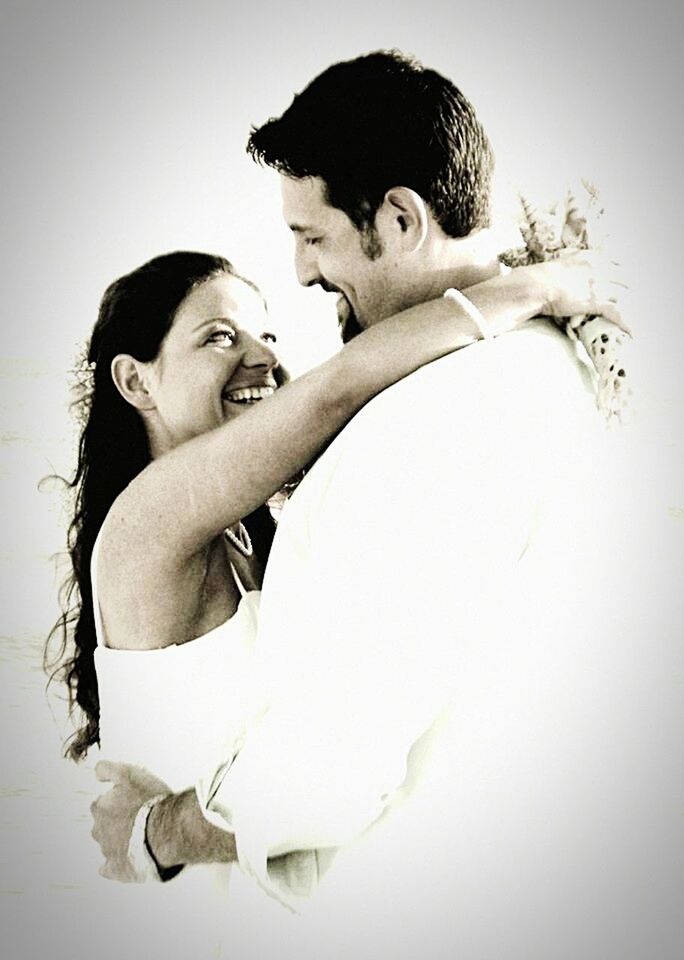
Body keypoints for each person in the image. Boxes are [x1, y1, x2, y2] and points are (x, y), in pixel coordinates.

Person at [88, 52, 631, 955]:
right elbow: (334, 390)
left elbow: (331, 744)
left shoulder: (284, 506)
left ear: (400, 218)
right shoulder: (146, 524)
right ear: (134, 382)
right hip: (182, 913)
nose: (267, 350)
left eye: (312, 239)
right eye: (219, 337)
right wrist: (527, 286)